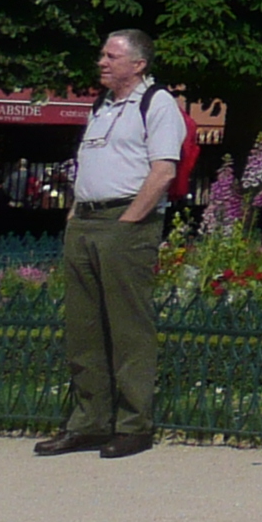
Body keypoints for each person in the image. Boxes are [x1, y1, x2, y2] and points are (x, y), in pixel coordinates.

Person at [38, 30, 183, 459]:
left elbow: (163, 171)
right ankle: (88, 422)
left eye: (111, 55)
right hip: (85, 220)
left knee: (127, 328)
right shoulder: (101, 106)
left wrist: (128, 221)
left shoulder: (156, 103)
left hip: (124, 222)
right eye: (102, 54)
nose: (102, 61)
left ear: (138, 64)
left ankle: (134, 425)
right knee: (84, 327)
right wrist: (74, 215)